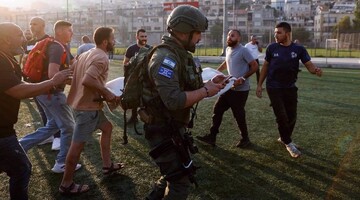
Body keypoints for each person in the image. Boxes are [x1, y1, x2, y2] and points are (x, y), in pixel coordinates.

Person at [141, 5, 226, 199]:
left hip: (172, 127)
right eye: (198, 33)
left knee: (171, 175)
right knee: (180, 182)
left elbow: (182, 88)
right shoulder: (165, 58)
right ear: (185, 31)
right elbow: (173, 100)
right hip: (161, 129)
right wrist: (205, 91)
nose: (200, 38)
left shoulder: (178, 54)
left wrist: (209, 84)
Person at [0, 22, 72, 200]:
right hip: (1, 129)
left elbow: (20, 85)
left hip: (5, 126)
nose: (24, 38)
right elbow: (17, 90)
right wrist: (52, 82)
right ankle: (62, 163)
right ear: (5, 39)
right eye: (19, 35)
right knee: (21, 168)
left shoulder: (7, 59)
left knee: (53, 126)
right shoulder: (1, 61)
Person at [59, 26, 124, 195]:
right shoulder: (101, 57)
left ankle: (107, 165)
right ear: (105, 41)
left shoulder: (85, 54)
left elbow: (71, 76)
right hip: (86, 109)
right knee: (76, 147)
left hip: (83, 104)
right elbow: (88, 79)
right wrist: (107, 93)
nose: (114, 41)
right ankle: (66, 184)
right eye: (113, 38)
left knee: (107, 127)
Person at [19, 20, 82, 173]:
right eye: (69, 30)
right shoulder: (57, 48)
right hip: (52, 94)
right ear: (59, 31)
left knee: (52, 125)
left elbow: (73, 63)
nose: (72, 33)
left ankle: (20, 145)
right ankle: (62, 163)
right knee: (69, 127)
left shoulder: (59, 46)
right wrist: (73, 82)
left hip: (44, 93)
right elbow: (53, 75)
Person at [256, 22, 322, 158]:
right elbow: (265, 67)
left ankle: (284, 137)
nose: (275, 35)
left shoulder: (299, 49)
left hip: (290, 87)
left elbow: (309, 65)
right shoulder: (271, 48)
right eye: (275, 32)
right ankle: (288, 143)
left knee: (292, 116)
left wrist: (316, 71)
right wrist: (259, 84)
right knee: (282, 116)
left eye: (279, 32)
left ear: (287, 34)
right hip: (273, 87)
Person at [196, 30, 258, 148]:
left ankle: (245, 139)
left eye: (232, 35)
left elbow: (254, 65)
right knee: (217, 110)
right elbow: (226, 63)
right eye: (229, 35)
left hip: (240, 90)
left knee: (238, 114)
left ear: (238, 38)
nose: (229, 37)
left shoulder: (243, 50)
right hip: (228, 87)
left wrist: (242, 79)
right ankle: (212, 137)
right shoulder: (229, 49)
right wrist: (216, 73)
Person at [23, 17, 62, 150]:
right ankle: (50, 136)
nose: (31, 26)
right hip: (33, 82)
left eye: (35, 24)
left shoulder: (50, 41)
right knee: (42, 110)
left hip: (46, 82)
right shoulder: (29, 42)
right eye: (30, 24)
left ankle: (58, 137)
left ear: (43, 25)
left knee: (53, 112)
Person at [123, 28, 151, 124]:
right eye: (142, 36)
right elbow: (125, 63)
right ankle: (134, 117)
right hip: (134, 78)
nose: (144, 38)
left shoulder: (150, 49)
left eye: (145, 36)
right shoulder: (131, 49)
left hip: (145, 78)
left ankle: (147, 118)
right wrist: (132, 63)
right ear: (137, 37)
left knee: (146, 98)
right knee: (134, 97)